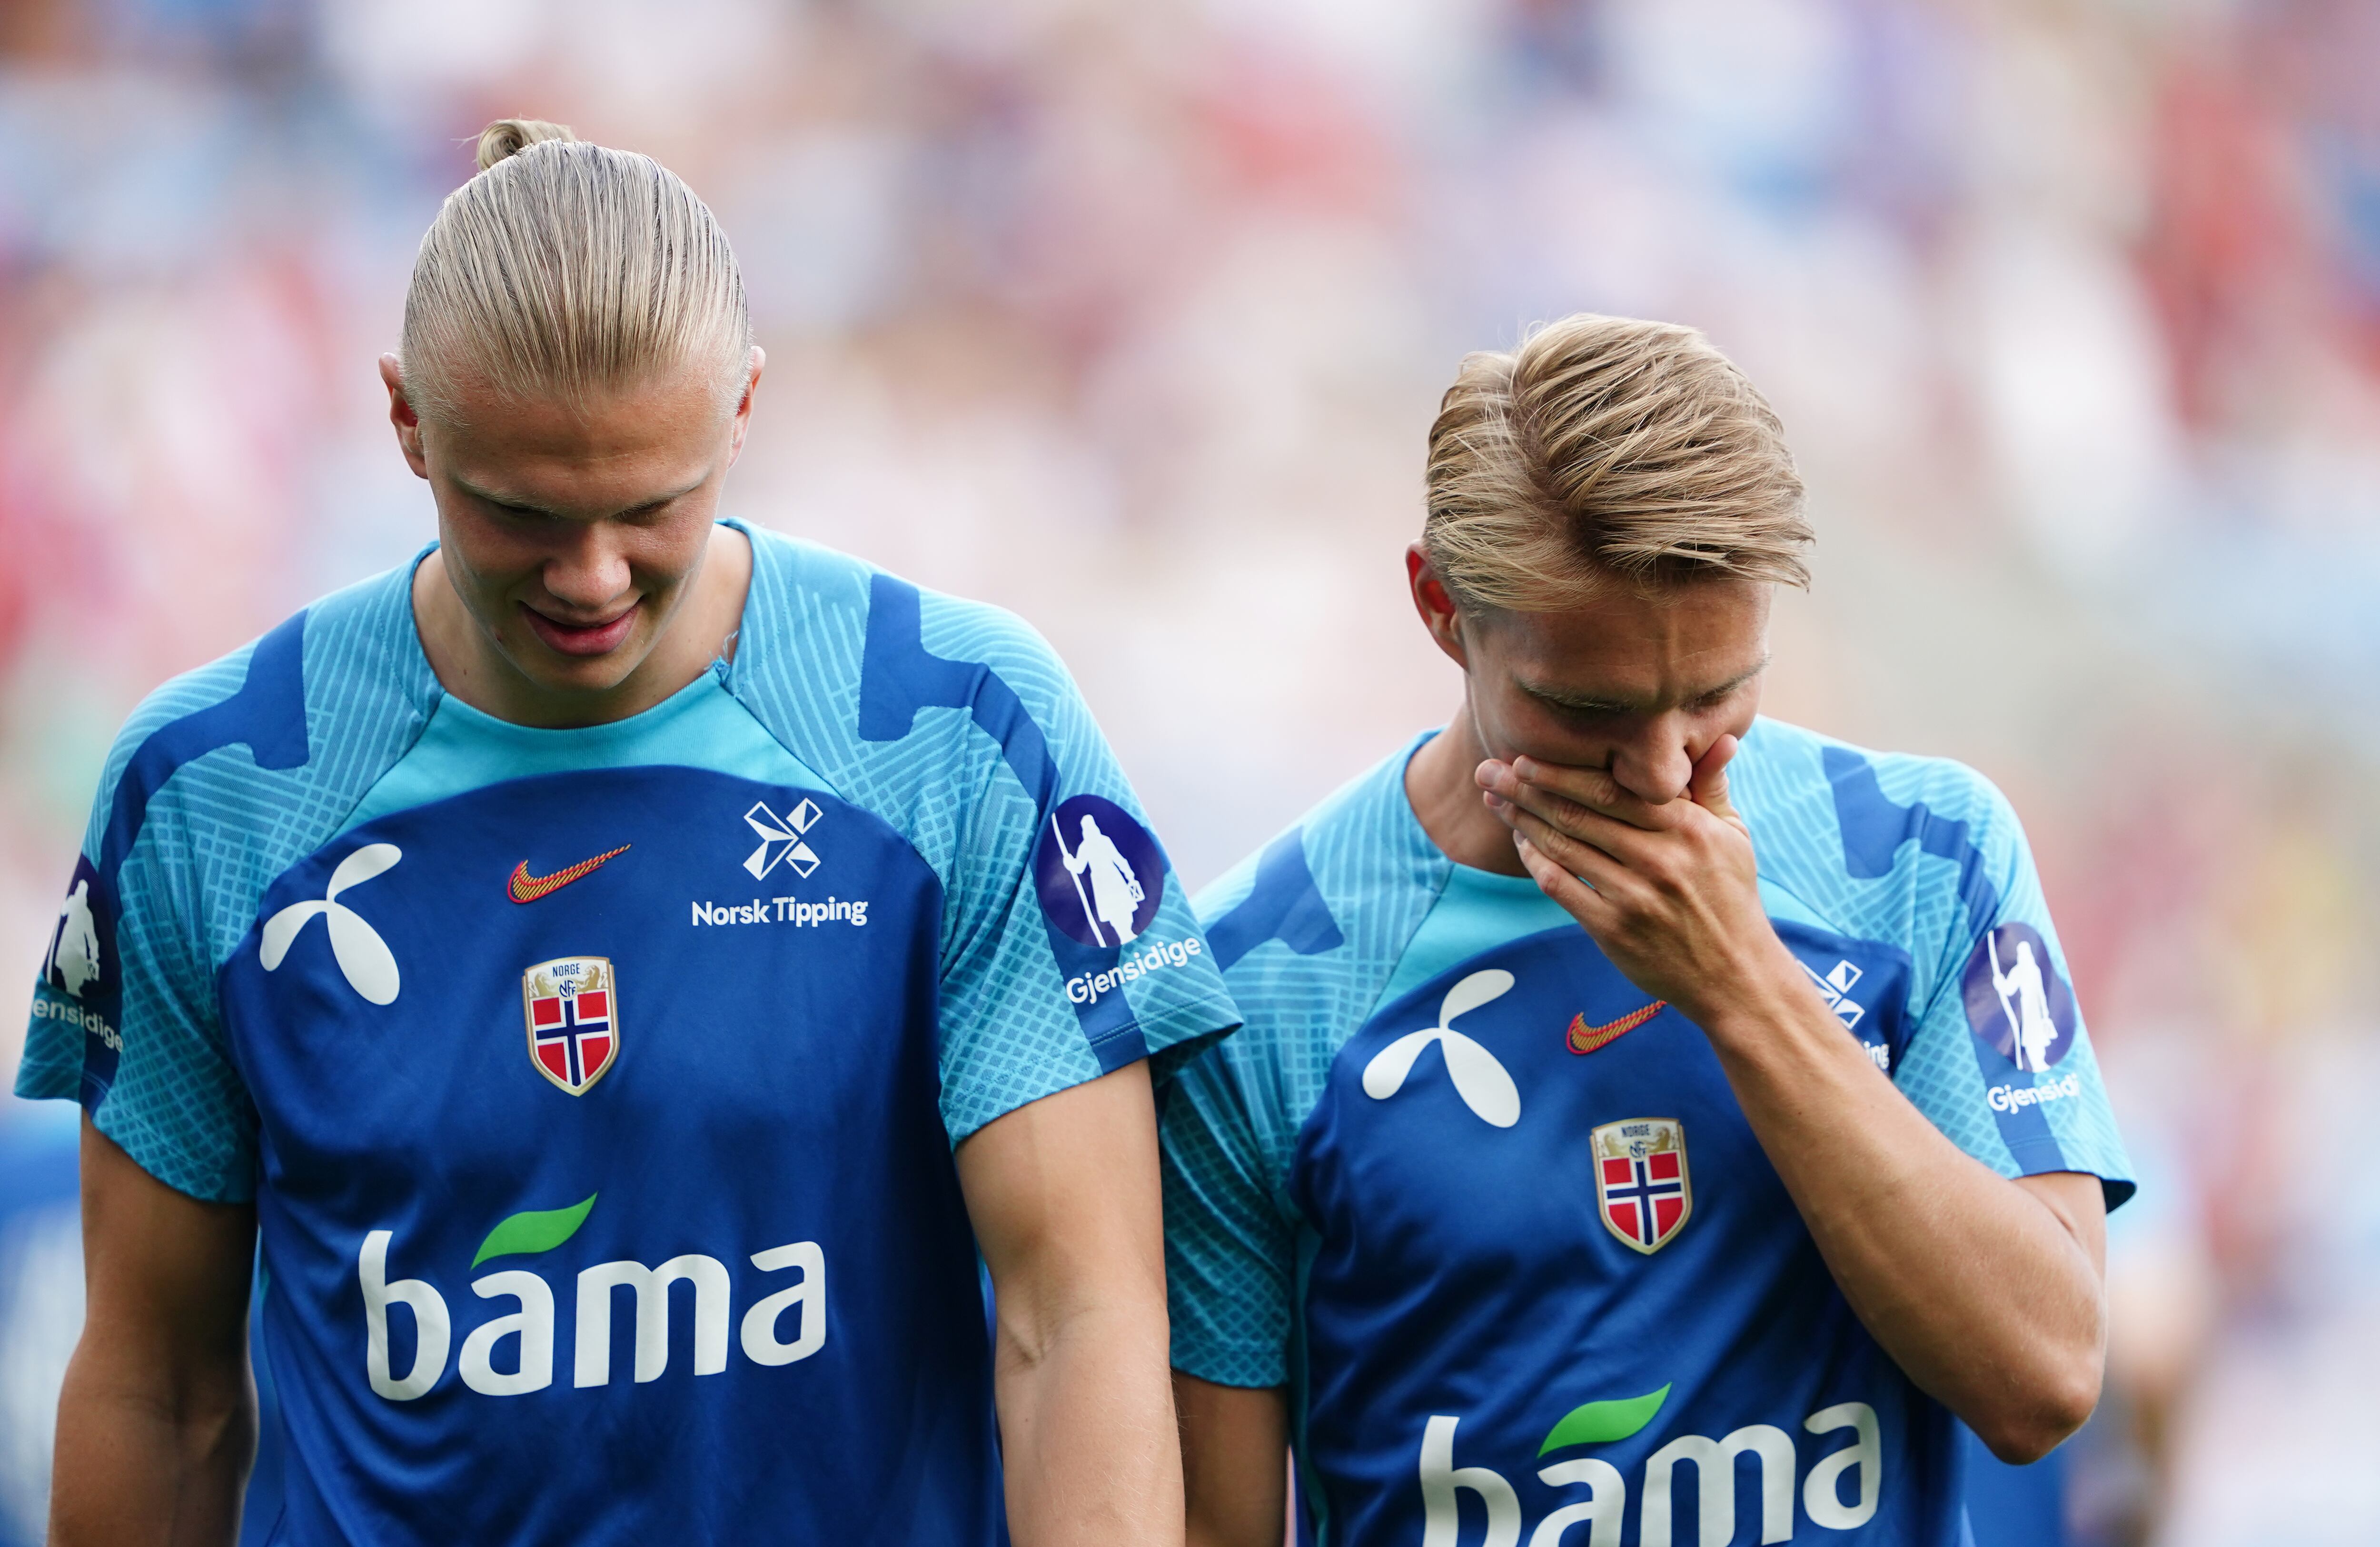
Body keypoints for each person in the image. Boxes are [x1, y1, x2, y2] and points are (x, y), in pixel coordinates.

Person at [18, 119, 1237, 1546]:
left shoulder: (954, 730)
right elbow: (159, 1384)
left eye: (649, 509)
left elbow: (1075, 1319)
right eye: (518, 512)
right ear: (407, 424)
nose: (590, 576)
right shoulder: (211, 788)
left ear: (744, 410)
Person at [1161, 314, 2133, 1547]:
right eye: (1588, 708)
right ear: (1440, 606)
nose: (1666, 768)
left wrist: (1740, 986)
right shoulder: (1257, 977)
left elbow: (2044, 1375)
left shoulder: (1925, 860)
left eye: (1719, 694)